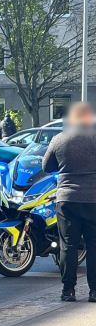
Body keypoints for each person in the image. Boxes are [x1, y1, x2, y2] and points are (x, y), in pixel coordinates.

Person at [42, 102, 96, 302]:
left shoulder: (59, 139)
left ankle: (68, 291)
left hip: (67, 199)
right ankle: (94, 291)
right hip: (94, 199)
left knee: (68, 246)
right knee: (94, 245)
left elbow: (47, 166)